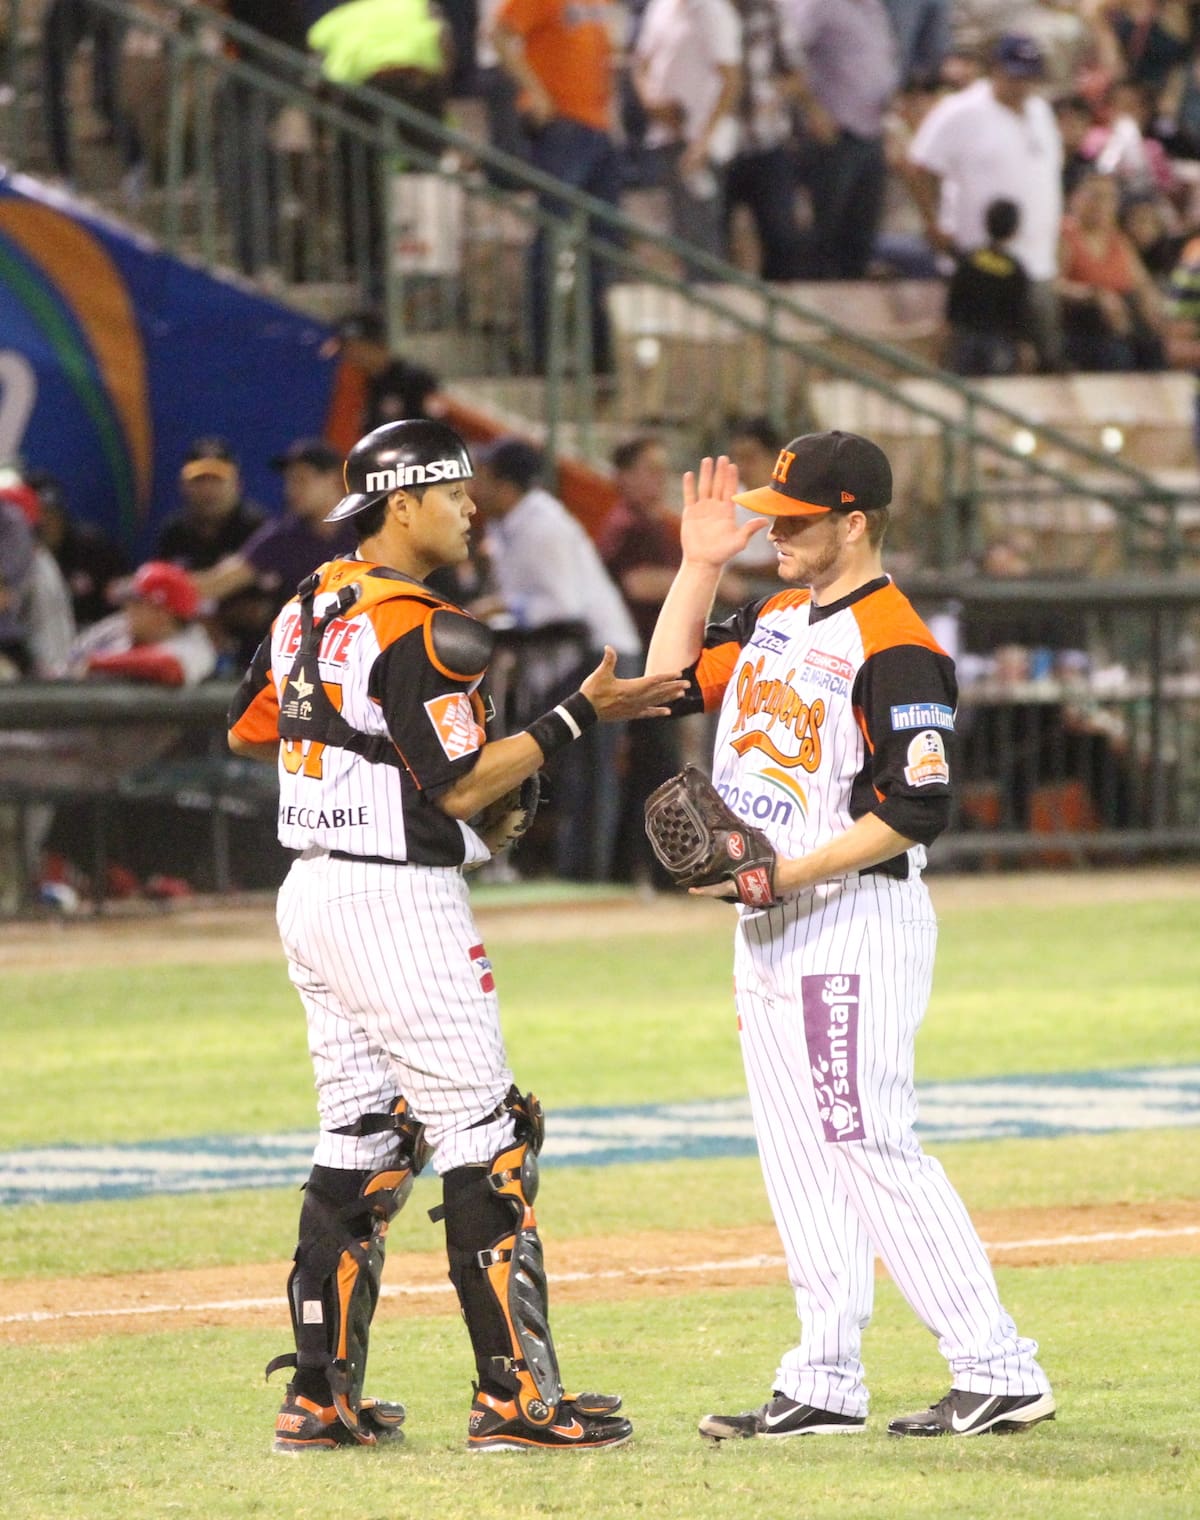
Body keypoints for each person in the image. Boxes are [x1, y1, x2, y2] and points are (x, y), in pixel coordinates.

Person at [226, 418, 685, 1452]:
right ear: (405, 503)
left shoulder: (312, 600)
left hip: (312, 888)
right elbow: (467, 782)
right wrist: (578, 713)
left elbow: (255, 726)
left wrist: (357, 786)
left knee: (364, 1135)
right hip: (395, 902)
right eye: (457, 493)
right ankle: (515, 1398)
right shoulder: (426, 624)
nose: (474, 508)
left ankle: (320, 1394)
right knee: (491, 1136)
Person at [644, 433, 1055, 1440]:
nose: (773, 530)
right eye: (770, 515)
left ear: (854, 519)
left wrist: (781, 872)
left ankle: (998, 1364)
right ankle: (824, 1375)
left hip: (851, 921)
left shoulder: (897, 640)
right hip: (770, 924)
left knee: (865, 1132)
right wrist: (699, 566)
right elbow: (660, 685)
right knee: (801, 1152)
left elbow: (917, 807)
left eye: (794, 518)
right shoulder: (777, 612)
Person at [470, 436, 642, 880]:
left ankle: (589, 876)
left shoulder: (542, 523)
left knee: (591, 768)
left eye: (482, 477)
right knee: (572, 769)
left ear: (507, 485)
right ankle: (575, 870)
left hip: (603, 653)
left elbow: (562, 606)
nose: (472, 487)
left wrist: (502, 606)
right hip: (573, 656)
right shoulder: (506, 524)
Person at [908, 32, 1064, 370]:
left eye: (1029, 77)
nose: (1022, 85)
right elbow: (920, 165)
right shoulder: (961, 111)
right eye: (1015, 75)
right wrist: (932, 223)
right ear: (995, 69)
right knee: (980, 351)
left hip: (1037, 258)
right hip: (980, 261)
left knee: (1039, 353)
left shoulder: (1040, 112)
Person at [493, 0, 623, 372]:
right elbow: (501, 36)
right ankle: (542, 355)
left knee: (603, 247)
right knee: (551, 239)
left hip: (598, 126)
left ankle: (600, 355)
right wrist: (536, 93)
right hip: (562, 124)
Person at [191, 439, 355, 666]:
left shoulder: (368, 527)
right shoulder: (283, 536)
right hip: (301, 659)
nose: (291, 490)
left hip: (361, 648)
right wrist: (154, 585)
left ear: (333, 480)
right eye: (289, 481)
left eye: (301, 480)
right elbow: (218, 583)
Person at [777, 0, 901, 280]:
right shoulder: (817, 5)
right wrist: (812, 109)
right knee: (824, 232)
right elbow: (787, 56)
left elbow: (882, 60)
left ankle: (852, 301)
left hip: (872, 131)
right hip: (833, 135)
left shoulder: (874, 8)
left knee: (861, 232)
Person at [632, 0, 743, 264]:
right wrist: (652, 103)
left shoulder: (713, 9)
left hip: (699, 144)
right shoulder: (661, 7)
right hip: (666, 136)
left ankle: (708, 300)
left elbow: (731, 79)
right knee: (681, 234)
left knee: (700, 236)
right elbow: (641, 64)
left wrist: (703, 141)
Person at [1057, 172, 1166, 370]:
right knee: (1116, 352)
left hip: (1124, 319)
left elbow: (1142, 283)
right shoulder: (1065, 236)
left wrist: (1152, 302)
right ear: (1076, 198)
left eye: (1109, 198)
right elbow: (1053, 285)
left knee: (1153, 344)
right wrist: (1095, 294)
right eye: (1095, 196)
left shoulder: (1118, 240)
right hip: (1084, 322)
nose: (1102, 205)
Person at [944, 197, 1033, 376]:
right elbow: (1019, 314)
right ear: (1014, 230)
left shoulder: (969, 261)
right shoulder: (1015, 270)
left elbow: (953, 305)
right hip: (1000, 343)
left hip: (966, 340)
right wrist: (1023, 344)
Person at [334, 311, 443, 434]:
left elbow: (433, 429)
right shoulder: (363, 383)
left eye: (354, 347)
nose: (348, 354)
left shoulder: (414, 380)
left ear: (374, 344)